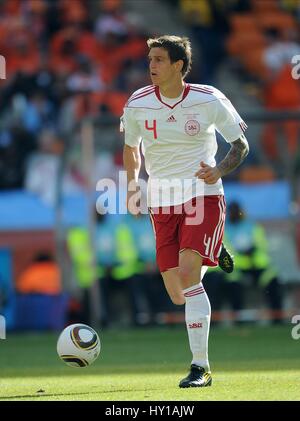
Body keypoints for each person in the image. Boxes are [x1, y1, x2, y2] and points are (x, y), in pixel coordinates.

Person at [122, 35, 249, 388]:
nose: (151, 65)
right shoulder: (137, 103)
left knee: (190, 277)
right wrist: (133, 184)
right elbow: (131, 148)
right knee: (178, 294)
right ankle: (212, 249)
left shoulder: (209, 99)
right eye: (150, 59)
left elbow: (240, 145)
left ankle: (200, 367)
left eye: (159, 59)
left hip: (201, 194)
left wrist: (219, 170)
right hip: (162, 201)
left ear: (178, 65)